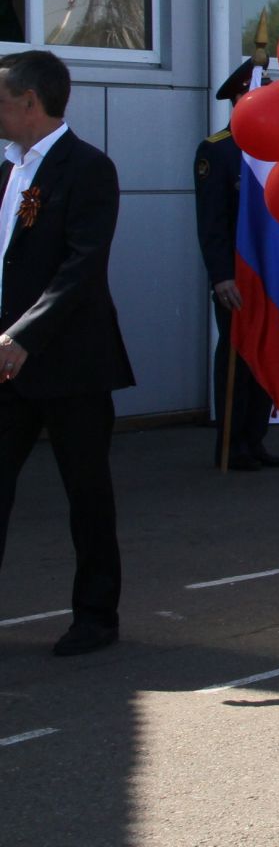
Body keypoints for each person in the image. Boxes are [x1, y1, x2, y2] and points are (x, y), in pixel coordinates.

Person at [0, 51, 135, 656]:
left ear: (30, 101)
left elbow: (81, 268)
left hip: (69, 362)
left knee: (86, 491)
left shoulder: (87, 169)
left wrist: (23, 335)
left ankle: (95, 615)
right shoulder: (7, 169)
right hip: (7, 364)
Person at [194, 59, 279, 470]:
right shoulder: (219, 150)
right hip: (236, 273)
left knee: (266, 352)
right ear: (240, 98)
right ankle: (230, 445)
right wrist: (220, 276)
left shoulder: (276, 149)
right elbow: (211, 222)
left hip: (271, 270)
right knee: (237, 351)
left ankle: (255, 440)